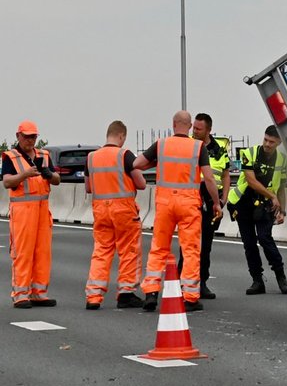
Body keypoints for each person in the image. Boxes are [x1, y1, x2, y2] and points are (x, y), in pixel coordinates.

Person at [133, 111, 221, 312]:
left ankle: (151, 292)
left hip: (165, 203)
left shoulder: (161, 145)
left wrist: (157, 162)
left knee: (159, 248)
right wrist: (216, 202)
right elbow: (208, 178)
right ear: (190, 126)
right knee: (190, 249)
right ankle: (189, 296)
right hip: (189, 203)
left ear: (173, 124)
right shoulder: (198, 147)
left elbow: (137, 164)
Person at [84, 120, 150, 310]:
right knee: (129, 250)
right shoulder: (125, 155)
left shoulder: (91, 157)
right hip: (123, 210)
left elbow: (89, 187)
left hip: (100, 211)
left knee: (101, 251)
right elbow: (141, 183)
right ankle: (126, 293)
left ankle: (94, 296)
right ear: (121, 136)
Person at [1, 120, 61, 308]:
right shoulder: (10, 157)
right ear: (18, 136)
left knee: (43, 253)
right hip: (22, 213)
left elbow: (58, 179)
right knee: (23, 253)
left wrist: (48, 174)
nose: (30, 140)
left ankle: (39, 293)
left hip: (42, 211)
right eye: (26, 136)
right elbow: (7, 182)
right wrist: (25, 174)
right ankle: (20, 294)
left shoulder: (44, 155)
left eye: (33, 136)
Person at [227, 125, 287, 295]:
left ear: (279, 143)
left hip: (265, 205)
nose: (267, 144)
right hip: (243, 203)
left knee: (265, 238)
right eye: (265, 139)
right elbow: (251, 181)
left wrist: (282, 211)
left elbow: (281, 187)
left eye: (272, 142)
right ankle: (257, 280)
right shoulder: (249, 154)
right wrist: (272, 196)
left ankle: (281, 277)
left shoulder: (282, 160)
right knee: (249, 244)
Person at [177, 112, 230, 300]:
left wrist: (222, 200)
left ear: (209, 130)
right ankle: (180, 282)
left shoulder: (219, 150)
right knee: (188, 243)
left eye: (199, 129)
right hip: (191, 195)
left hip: (210, 198)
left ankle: (203, 282)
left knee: (206, 244)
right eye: (194, 127)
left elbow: (225, 175)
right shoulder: (190, 146)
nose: (195, 131)